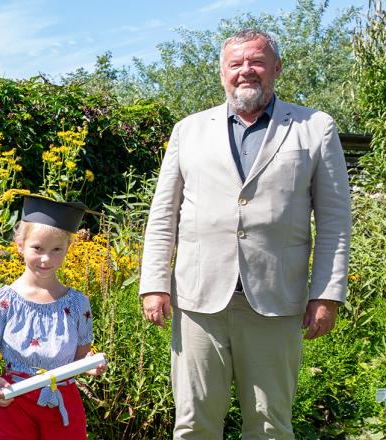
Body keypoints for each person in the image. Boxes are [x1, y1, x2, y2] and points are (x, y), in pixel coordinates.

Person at [139, 28, 352, 439]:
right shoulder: (189, 130)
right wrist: (153, 283)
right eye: (235, 64)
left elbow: (334, 221)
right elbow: (163, 213)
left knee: (270, 425)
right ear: (223, 73)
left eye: (255, 62)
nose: (245, 71)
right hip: (199, 301)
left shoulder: (315, 127)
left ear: (276, 68)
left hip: (275, 299)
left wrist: (326, 293)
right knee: (194, 424)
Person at [0, 195, 105, 440]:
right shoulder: (3, 301)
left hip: (62, 406)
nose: (46, 259)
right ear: (20, 244)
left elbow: (80, 360)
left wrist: (90, 366)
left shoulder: (78, 304)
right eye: (37, 248)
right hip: (13, 404)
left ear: (68, 248)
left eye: (57, 249)